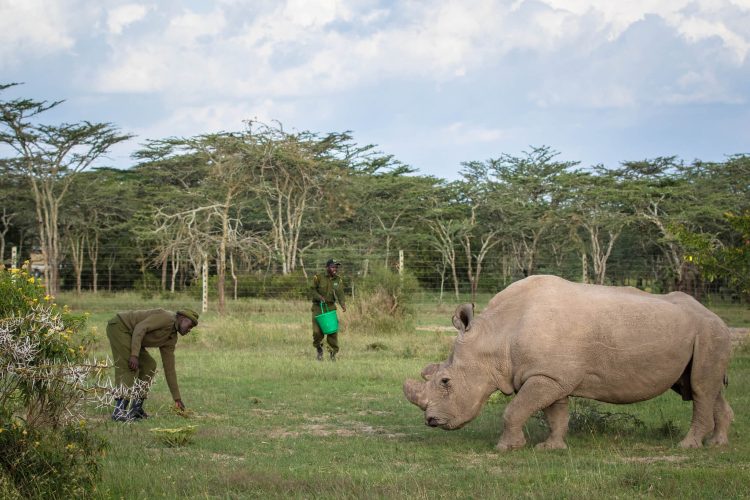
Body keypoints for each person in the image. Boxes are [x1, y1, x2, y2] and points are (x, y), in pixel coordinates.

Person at [105, 308, 199, 421]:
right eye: (190, 325)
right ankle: (119, 411)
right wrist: (134, 355)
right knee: (129, 367)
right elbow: (140, 328)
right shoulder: (167, 317)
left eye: (192, 328)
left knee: (149, 365)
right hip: (120, 327)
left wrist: (177, 398)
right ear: (183, 318)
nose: (190, 330)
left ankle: (136, 410)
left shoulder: (171, 337)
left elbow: (169, 368)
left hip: (132, 335)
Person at [310, 259, 347, 361]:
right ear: (327, 268)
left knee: (332, 332)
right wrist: (318, 297)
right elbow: (312, 290)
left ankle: (332, 353)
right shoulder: (318, 278)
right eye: (332, 267)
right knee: (317, 332)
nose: (335, 269)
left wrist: (342, 303)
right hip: (318, 307)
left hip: (330, 308)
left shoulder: (338, 280)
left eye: (336, 267)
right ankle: (319, 349)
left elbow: (340, 293)